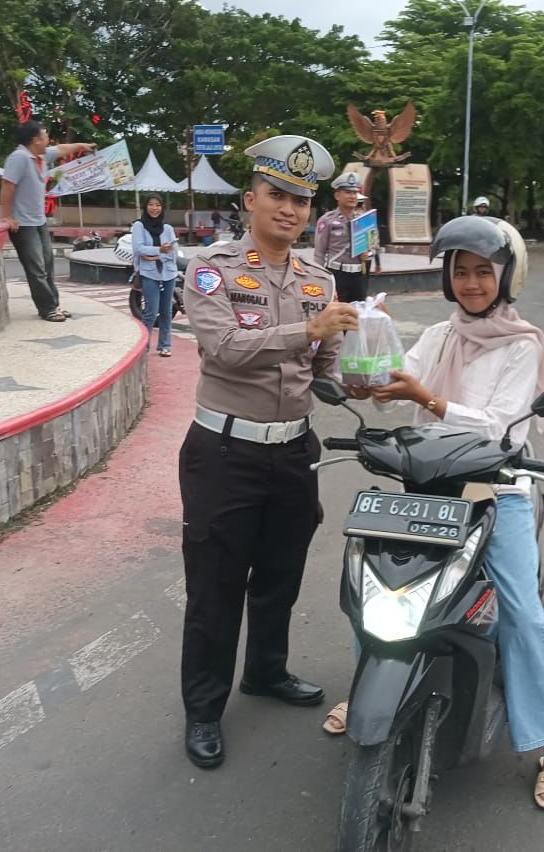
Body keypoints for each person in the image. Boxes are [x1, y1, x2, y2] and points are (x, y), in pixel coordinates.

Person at [323, 216, 544, 812]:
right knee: (377, 583)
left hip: (496, 488)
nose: (470, 283)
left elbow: (499, 424)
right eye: (460, 272)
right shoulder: (438, 335)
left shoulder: (522, 343)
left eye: (482, 272)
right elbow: (398, 372)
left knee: (522, 614)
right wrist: (370, 381)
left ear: (506, 275)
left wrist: (425, 399)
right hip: (427, 482)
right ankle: (367, 684)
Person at [178, 135, 361, 771]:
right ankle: (203, 710)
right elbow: (224, 347)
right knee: (216, 587)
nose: (288, 209)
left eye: (300, 200)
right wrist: (308, 330)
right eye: (277, 195)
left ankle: (266, 671)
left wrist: (364, 371)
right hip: (224, 451)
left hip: (293, 452)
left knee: (281, 575)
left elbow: (327, 368)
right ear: (250, 198)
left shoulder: (320, 278)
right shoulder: (212, 269)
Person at [0, 120, 96, 322]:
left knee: (47, 265)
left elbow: (61, 149)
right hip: (23, 225)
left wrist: (81, 146)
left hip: (39, 221)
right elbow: (7, 186)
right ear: (35, 139)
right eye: (45, 136)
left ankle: (54, 304)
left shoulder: (40, 156)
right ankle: (48, 309)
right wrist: (7, 217)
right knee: (37, 269)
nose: (48, 139)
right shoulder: (19, 158)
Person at [313, 171, 373, 302]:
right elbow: (319, 253)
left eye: (354, 193)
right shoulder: (327, 220)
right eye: (347, 192)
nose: (352, 196)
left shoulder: (363, 220)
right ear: (337, 195)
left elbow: (371, 247)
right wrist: (319, 278)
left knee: (357, 315)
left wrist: (367, 255)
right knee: (336, 314)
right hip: (336, 274)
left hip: (358, 275)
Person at [130, 194, 178, 356]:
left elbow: (173, 253)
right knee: (151, 311)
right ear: (145, 207)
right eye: (151, 204)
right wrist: (159, 250)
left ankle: (165, 345)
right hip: (149, 273)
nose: (154, 208)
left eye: (158, 205)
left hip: (169, 273)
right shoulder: (139, 226)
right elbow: (138, 249)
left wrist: (154, 255)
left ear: (162, 208)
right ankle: (144, 346)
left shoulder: (168, 229)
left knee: (167, 311)